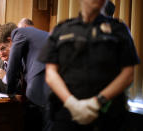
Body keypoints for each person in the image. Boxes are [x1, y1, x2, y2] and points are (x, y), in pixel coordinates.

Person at [38, 0, 140, 130]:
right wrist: (72, 103)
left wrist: (96, 102)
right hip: (66, 116)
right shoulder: (61, 30)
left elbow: (128, 74)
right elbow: (51, 72)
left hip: (106, 116)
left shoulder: (119, 30)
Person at [6, 26, 50, 131]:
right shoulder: (39, 34)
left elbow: (13, 64)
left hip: (41, 78)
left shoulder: (18, 33)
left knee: (34, 119)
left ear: (9, 40)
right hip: (56, 76)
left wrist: (10, 93)